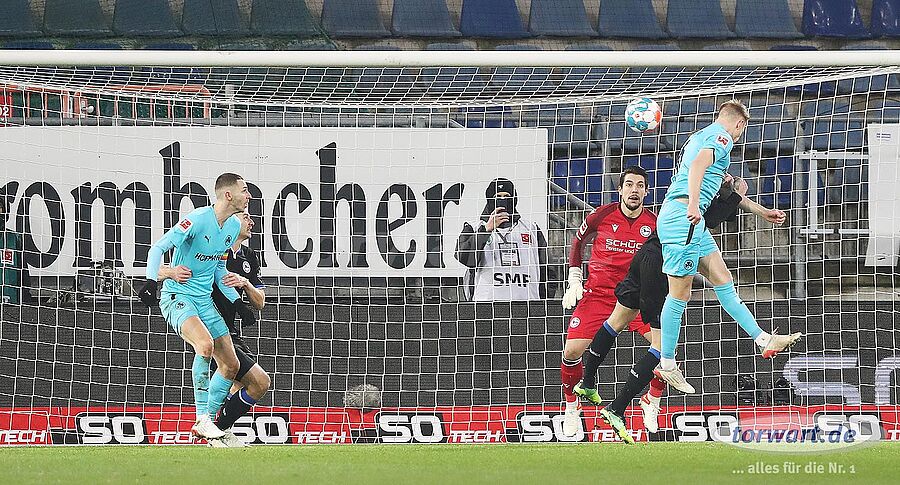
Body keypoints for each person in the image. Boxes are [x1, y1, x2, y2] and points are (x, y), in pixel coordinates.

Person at [585, 175, 757, 442]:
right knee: (662, 346)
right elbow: (711, 219)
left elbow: (719, 214)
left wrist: (735, 196)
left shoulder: (686, 186)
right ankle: (621, 407)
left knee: (616, 321)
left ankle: (587, 382)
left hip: (645, 255)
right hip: (659, 266)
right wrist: (735, 194)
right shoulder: (696, 191)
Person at [654, 100, 801, 395]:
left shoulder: (700, 136)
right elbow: (698, 166)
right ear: (739, 124)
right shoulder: (721, 137)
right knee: (680, 293)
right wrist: (693, 204)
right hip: (684, 218)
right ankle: (667, 363)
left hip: (690, 220)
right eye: (741, 130)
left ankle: (763, 339)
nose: (739, 135)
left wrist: (762, 212)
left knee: (723, 280)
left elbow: (719, 184)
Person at [137, 173, 250, 443]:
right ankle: (202, 418)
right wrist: (152, 281)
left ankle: (205, 423)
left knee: (231, 364)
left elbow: (219, 269)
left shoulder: (233, 227)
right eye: (244, 190)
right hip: (178, 296)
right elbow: (157, 249)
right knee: (205, 345)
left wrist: (237, 302)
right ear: (228, 195)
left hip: (204, 301)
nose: (248, 196)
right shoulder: (197, 220)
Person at [558, 166, 659, 437]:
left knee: (666, 351)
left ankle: (652, 400)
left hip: (636, 298)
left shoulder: (655, 223)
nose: (634, 190)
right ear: (620, 190)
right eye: (629, 185)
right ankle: (571, 406)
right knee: (571, 352)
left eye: (640, 185)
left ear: (646, 191)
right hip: (599, 295)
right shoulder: (601, 215)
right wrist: (575, 278)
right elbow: (578, 242)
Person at [209, 211, 270, 447]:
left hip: (231, 331)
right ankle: (214, 430)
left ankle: (219, 432)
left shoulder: (250, 256)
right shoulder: (213, 250)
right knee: (260, 382)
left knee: (243, 386)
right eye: (246, 217)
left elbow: (260, 302)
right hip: (211, 329)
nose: (251, 222)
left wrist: (245, 283)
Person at [456, 178, 549, 301]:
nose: (503, 200)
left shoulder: (531, 228)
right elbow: (464, 257)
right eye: (497, 196)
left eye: (507, 196)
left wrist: (543, 300)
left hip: (526, 302)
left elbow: (547, 269)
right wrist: (486, 230)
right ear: (489, 199)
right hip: (487, 302)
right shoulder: (474, 227)